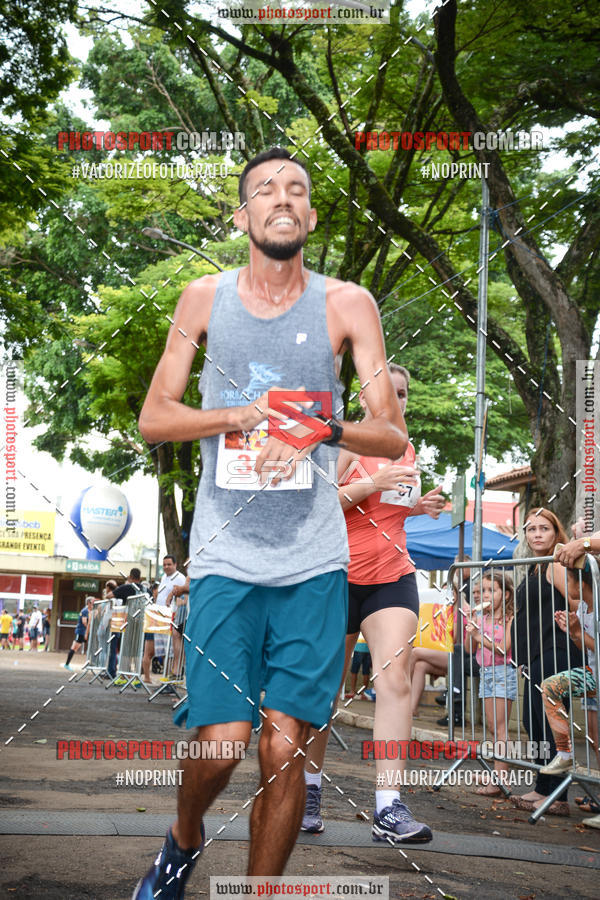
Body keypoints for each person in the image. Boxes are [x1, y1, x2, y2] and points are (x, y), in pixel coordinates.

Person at [133, 146, 408, 897]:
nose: (282, 198)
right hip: (226, 554)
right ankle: (183, 839)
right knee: (221, 746)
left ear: (309, 215)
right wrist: (240, 415)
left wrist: (321, 426)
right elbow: (155, 417)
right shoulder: (202, 298)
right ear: (244, 215)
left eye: (297, 189)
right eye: (265, 190)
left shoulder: (348, 303)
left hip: (314, 562)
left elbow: (391, 433)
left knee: (283, 749)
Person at [301, 364, 444, 843]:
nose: (397, 401)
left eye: (403, 394)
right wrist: (372, 483)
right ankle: (309, 788)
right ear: (365, 397)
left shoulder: (406, 446)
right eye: (388, 392)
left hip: (393, 576)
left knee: (394, 678)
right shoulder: (343, 443)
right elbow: (322, 505)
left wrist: (422, 506)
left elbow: (396, 505)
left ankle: (389, 805)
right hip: (337, 576)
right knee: (326, 691)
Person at [510, 508, 578, 816]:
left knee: (550, 725)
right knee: (533, 721)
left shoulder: (556, 564)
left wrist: (574, 619)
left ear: (556, 533)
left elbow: (578, 600)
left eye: (544, 528)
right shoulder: (535, 567)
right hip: (537, 657)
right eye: (531, 529)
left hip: (557, 652)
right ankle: (543, 787)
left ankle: (556, 795)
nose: (536, 534)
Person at [464, 571, 516, 795]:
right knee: (493, 727)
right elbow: (469, 650)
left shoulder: (509, 618)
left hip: (503, 672)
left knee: (501, 728)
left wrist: (478, 638)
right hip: (485, 673)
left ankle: (500, 781)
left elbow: (504, 648)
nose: (484, 594)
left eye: (490, 590)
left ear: (505, 595)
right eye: (483, 590)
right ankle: (497, 772)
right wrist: (470, 631)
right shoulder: (482, 618)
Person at [106, 569, 149, 683]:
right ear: (140, 578)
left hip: (129, 622)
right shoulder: (146, 590)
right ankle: (136, 676)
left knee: (126, 649)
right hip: (142, 623)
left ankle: (124, 675)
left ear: (130, 577)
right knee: (138, 649)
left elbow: (109, 595)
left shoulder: (126, 588)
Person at [156, 555, 187, 682]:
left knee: (171, 649)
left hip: (173, 618)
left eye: (169, 564)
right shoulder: (163, 577)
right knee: (163, 650)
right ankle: (167, 676)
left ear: (175, 565)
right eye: (164, 565)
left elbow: (184, 598)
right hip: (160, 618)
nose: (166, 567)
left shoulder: (180, 578)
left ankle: (173, 677)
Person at [63, 596, 94, 671]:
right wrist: (87, 631)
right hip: (81, 632)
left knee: (88, 647)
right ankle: (67, 664)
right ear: (88, 603)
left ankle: (91, 663)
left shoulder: (90, 611)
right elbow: (84, 622)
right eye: (92, 603)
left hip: (85, 632)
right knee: (74, 647)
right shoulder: (85, 611)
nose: (93, 604)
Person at [347, 632, 371, 698]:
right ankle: (364, 692)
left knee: (354, 671)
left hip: (358, 647)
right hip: (368, 648)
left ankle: (352, 691)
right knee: (366, 672)